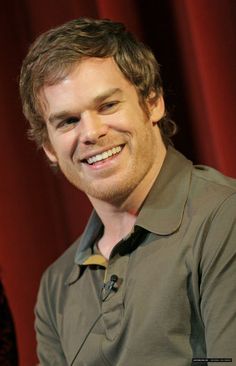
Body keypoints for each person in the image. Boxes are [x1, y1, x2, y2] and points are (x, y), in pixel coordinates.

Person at [19, 18, 236, 366]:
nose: (91, 132)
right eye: (68, 121)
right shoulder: (56, 287)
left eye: (107, 106)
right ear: (48, 146)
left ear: (153, 103)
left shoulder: (225, 219)